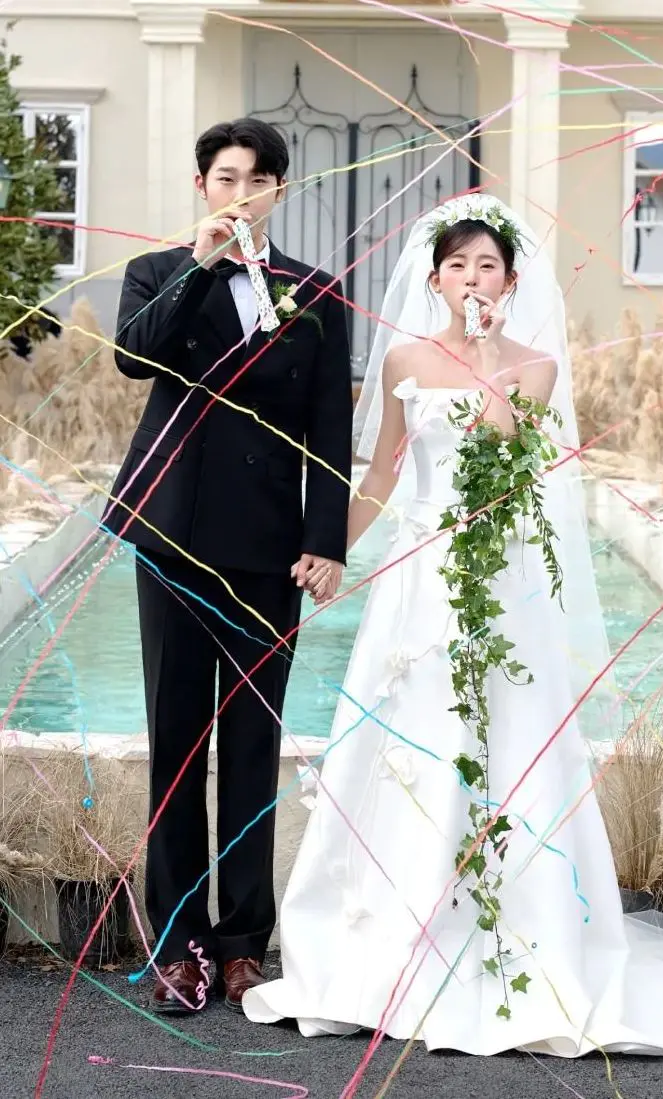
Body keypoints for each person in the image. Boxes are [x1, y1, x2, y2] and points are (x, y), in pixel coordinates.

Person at [242, 193, 663, 1057]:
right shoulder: (402, 358)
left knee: (509, 737)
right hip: (418, 579)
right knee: (411, 736)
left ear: (509, 282)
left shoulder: (534, 365)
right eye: (457, 266)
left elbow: (514, 457)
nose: (471, 279)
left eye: (487, 267)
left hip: (501, 578)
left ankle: (517, 942)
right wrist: (330, 550)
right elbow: (384, 474)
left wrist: (485, 357)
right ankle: (391, 944)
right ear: (433, 278)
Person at [102, 117, 353, 1013]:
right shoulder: (158, 274)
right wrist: (203, 266)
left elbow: (331, 424)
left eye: (256, 179)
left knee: (252, 742)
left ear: (279, 188)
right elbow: (134, 356)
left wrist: (327, 538)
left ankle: (244, 942)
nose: (240, 193)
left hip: (269, 545)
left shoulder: (316, 291)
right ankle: (179, 945)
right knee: (177, 742)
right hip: (172, 533)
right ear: (201, 187)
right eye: (224, 178)